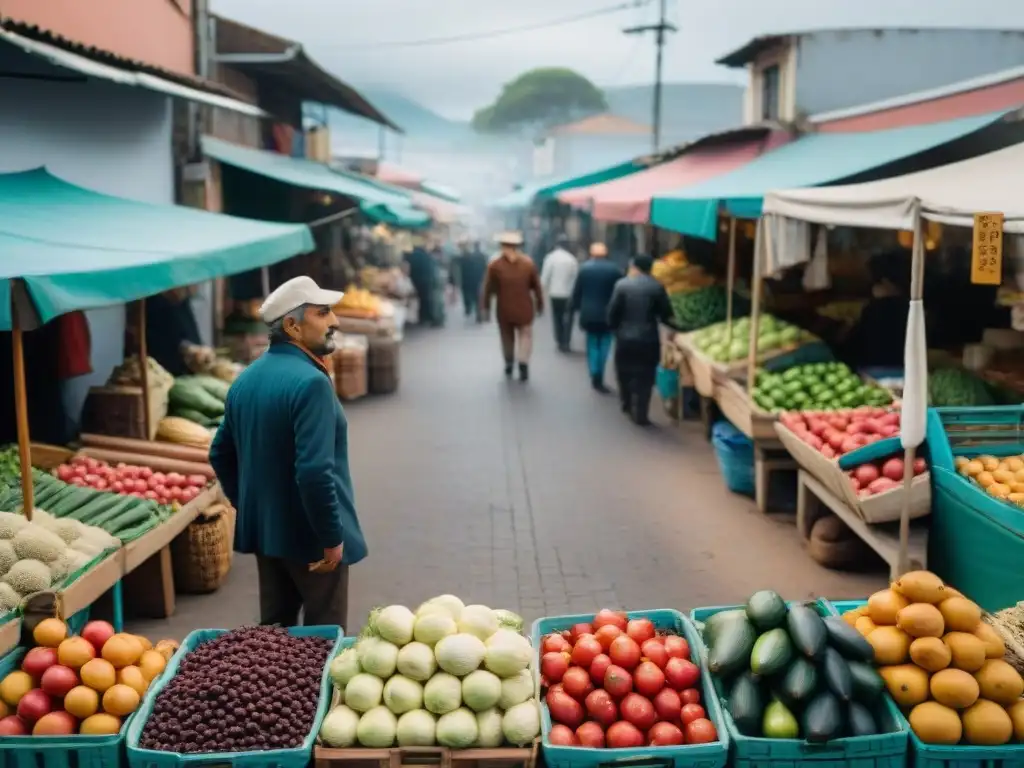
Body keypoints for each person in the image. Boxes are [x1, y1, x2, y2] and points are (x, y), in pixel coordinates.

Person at [209, 276, 367, 629]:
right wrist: (331, 538)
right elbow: (313, 472)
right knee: (323, 638)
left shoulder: (246, 379)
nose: (335, 322)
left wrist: (251, 506)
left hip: (269, 534)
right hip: (311, 538)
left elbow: (220, 453)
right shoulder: (311, 383)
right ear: (293, 326)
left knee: (274, 636)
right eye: (323, 313)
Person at [607, 255, 672, 425]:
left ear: (634, 267)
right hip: (648, 338)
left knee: (624, 371)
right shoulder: (657, 287)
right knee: (646, 375)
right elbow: (666, 314)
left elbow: (613, 313)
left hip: (625, 338)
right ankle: (641, 412)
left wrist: (614, 328)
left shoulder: (621, 285)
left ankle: (626, 402)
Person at [481, 231, 544, 381]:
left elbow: (488, 288)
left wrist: (486, 307)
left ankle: (509, 362)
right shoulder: (528, 264)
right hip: (525, 308)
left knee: (507, 337)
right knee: (526, 335)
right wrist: (540, 304)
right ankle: (523, 362)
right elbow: (537, 287)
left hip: (504, 309)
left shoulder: (495, 265)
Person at [842, 250, 912, 369]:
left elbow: (856, 345)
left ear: (885, 282)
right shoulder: (910, 309)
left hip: (874, 370)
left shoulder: (874, 310)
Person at [572, 242, 623, 392]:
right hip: (608, 314)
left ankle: (594, 372)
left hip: (588, 314)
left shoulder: (584, 269)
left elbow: (577, 292)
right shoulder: (615, 270)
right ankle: (600, 372)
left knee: (592, 343)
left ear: (591, 254)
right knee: (605, 344)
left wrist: (574, 308)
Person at [540, 235, 579, 352]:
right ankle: (566, 341)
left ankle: (559, 340)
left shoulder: (550, 258)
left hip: (555, 293)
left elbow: (545, 277)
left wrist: (541, 292)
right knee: (568, 318)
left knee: (557, 318)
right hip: (569, 294)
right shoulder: (572, 259)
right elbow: (576, 278)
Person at [404, 235, 438, 327]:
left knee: (418, 299)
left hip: (416, 280)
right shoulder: (426, 255)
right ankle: (426, 316)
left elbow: (409, 267)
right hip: (426, 280)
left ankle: (421, 317)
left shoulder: (412, 256)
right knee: (426, 299)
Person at [457, 239, 488, 322]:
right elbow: (485, 268)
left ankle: (469, 308)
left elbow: (463, 268)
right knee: (478, 297)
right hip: (478, 279)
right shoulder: (482, 255)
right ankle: (478, 314)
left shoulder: (468, 256)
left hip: (469, 280)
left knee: (469, 295)